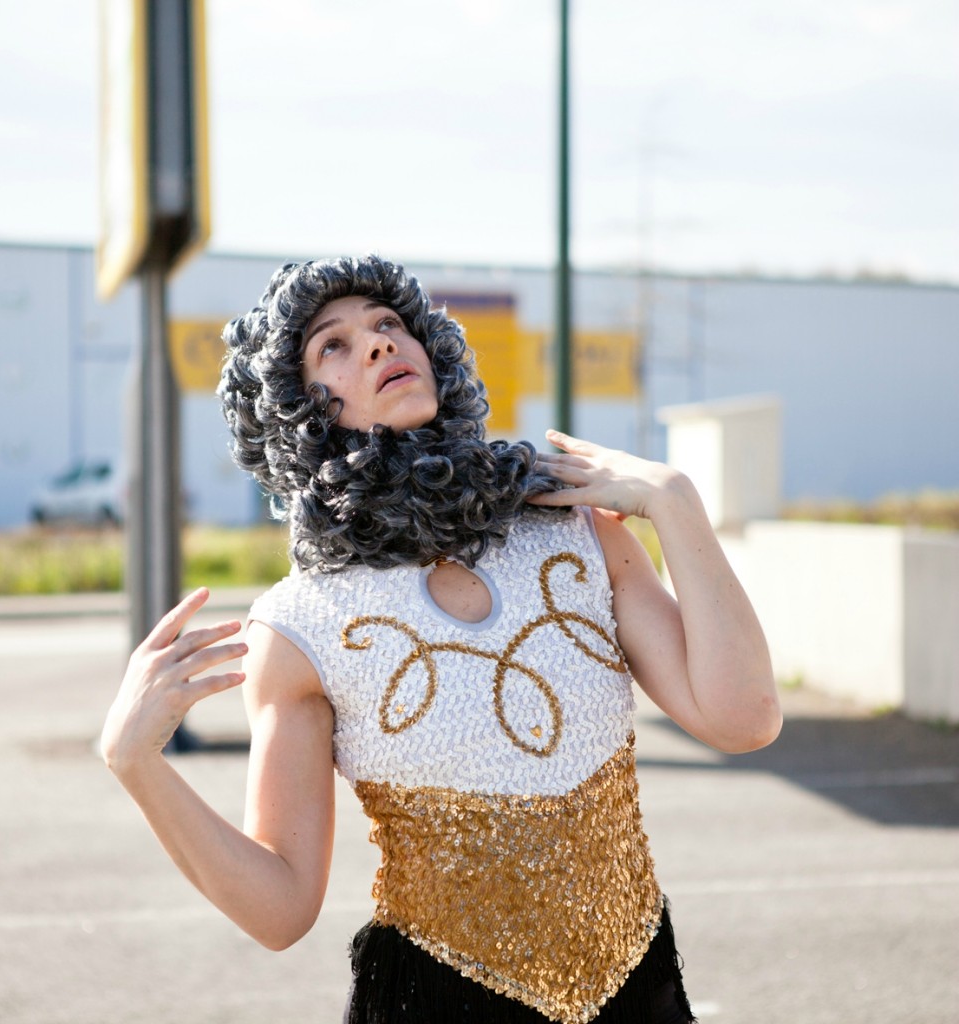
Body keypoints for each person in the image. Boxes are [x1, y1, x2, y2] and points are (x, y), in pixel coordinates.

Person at [101, 255, 781, 1024]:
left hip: (638, 991)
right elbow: (280, 908)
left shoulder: (576, 529)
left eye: (390, 325)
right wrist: (136, 765)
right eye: (335, 345)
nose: (380, 344)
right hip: (433, 1002)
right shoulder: (301, 626)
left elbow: (744, 717)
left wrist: (675, 502)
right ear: (298, 409)